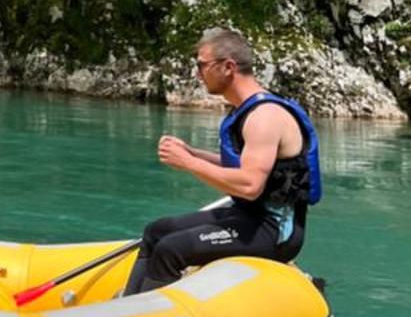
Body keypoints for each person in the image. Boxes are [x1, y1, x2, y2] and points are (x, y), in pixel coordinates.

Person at [123, 27, 321, 295]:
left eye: (202, 65)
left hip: (273, 231)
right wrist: (193, 153)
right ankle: (126, 305)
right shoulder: (247, 111)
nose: (198, 73)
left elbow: (250, 185)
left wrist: (188, 163)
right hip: (248, 217)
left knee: (171, 249)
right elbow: (245, 166)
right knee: (156, 232)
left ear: (228, 67)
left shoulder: (265, 117)